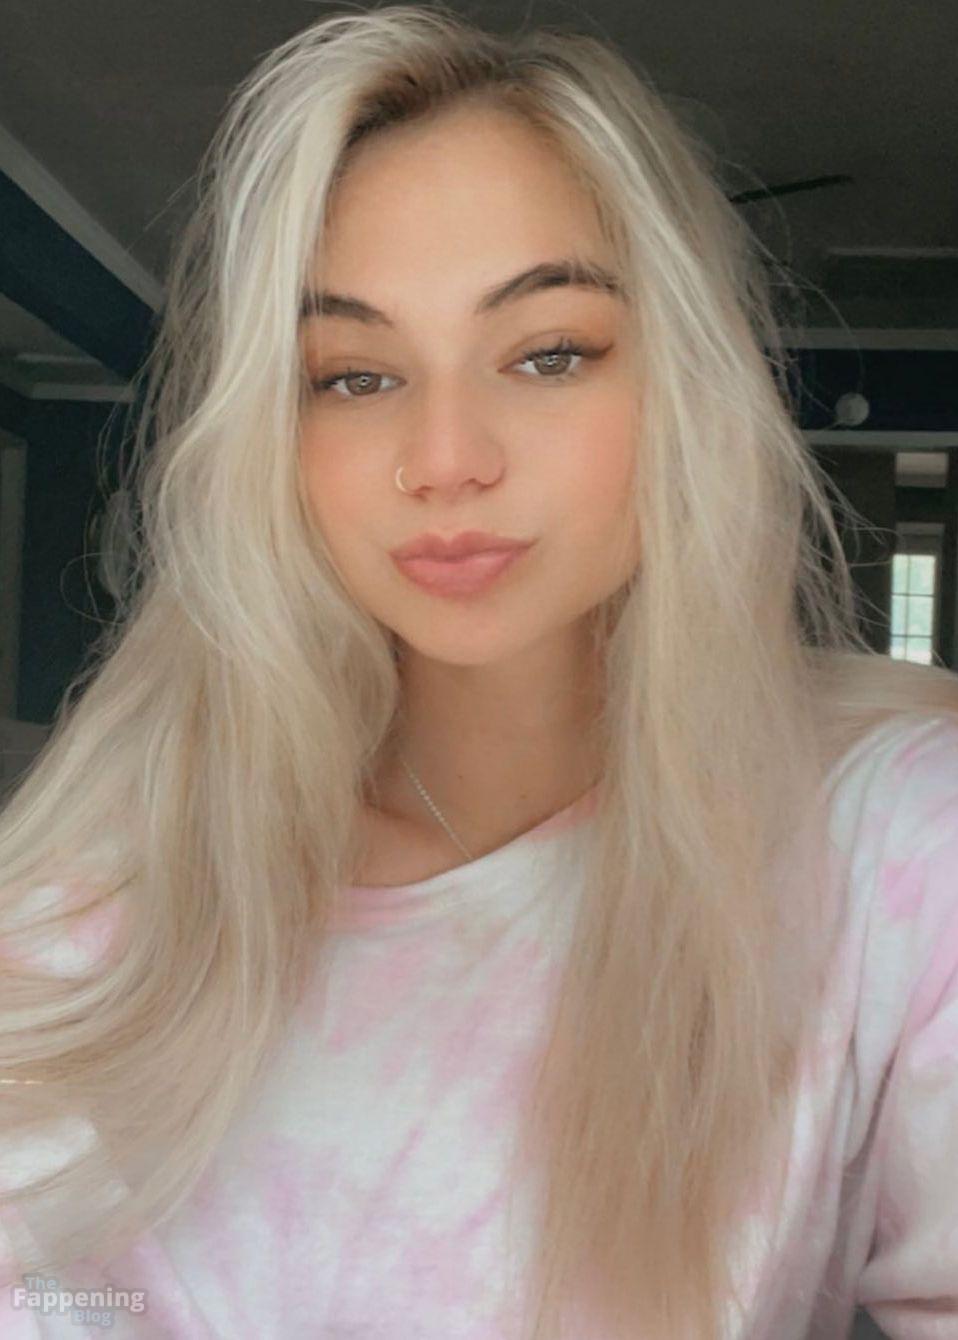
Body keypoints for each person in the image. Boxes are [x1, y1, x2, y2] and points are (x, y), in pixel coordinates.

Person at [1, 6, 957, 1337]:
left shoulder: (896, 843)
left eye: (549, 353)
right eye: (352, 376)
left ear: (682, 384)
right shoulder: (111, 867)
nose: (445, 458)